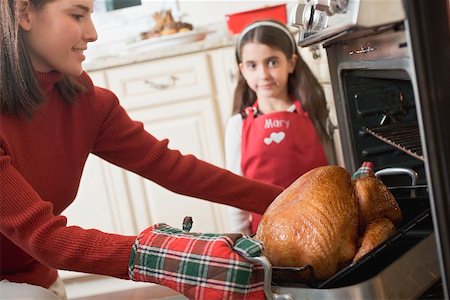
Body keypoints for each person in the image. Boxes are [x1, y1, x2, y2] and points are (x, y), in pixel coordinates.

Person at [0, 1, 283, 299]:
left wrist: (284, 200)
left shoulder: (85, 102)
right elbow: (47, 240)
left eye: (91, 15)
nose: (93, 33)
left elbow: (173, 169)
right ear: (24, 13)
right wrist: (167, 255)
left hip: (38, 280)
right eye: (77, 15)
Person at [225, 20, 335, 236]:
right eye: (252, 65)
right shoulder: (238, 124)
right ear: (242, 70)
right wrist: (242, 241)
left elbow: (333, 167)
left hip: (321, 226)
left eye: (272, 62)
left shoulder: (313, 112)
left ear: (291, 63)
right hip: (266, 235)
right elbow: (234, 191)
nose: (264, 74)